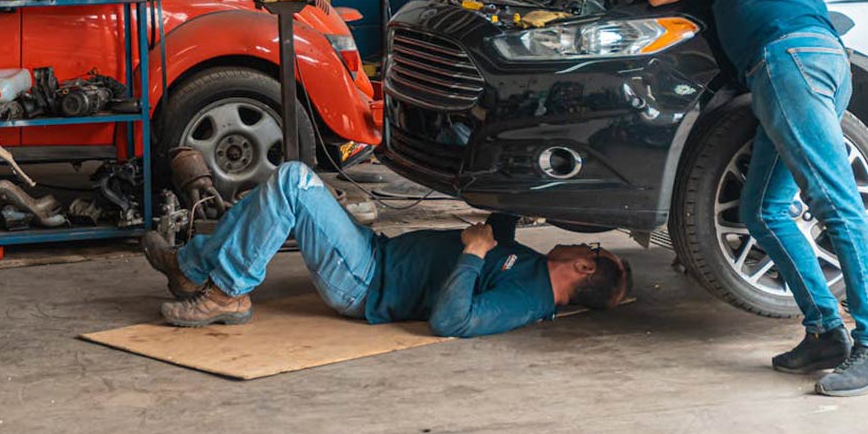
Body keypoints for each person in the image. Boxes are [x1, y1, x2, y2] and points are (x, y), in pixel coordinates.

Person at [643, 0, 868, 397]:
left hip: (789, 66)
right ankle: (827, 332)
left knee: (836, 206)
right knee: (764, 210)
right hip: (825, 55)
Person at [141, 162, 629, 337]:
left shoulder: (527, 301)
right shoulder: (530, 266)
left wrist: (475, 253)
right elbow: (499, 230)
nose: (582, 241)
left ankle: (228, 293)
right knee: (270, 198)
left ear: (584, 266)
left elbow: (452, 321)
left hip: (365, 283)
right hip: (376, 255)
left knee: (294, 182)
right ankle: (190, 269)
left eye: (591, 246)